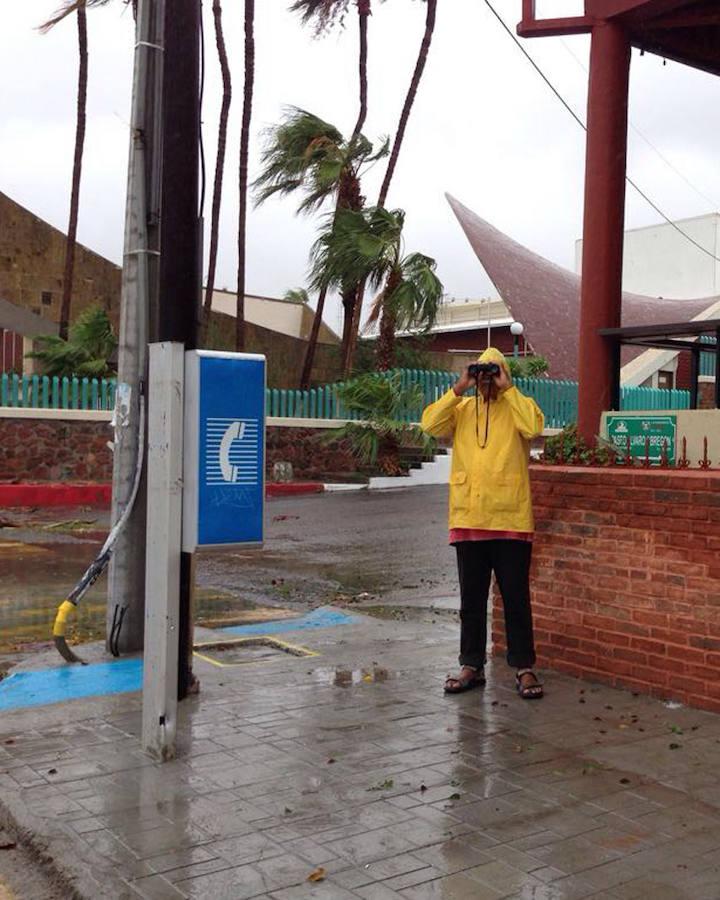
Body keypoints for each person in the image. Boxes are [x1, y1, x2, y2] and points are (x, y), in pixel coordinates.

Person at [421, 347, 545, 700]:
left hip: (511, 518)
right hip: (469, 518)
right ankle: (471, 665)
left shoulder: (519, 405)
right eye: (482, 374)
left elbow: (534, 427)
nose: (487, 380)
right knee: (471, 601)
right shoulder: (461, 409)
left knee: (516, 599)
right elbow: (429, 425)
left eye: (493, 372)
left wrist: (509, 389)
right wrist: (459, 387)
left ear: (504, 373)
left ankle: (524, 667)